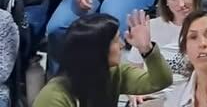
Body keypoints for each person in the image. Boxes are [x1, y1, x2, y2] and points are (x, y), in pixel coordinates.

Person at [33, 12, 172, 107]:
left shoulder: (115, 73)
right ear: (98, 50)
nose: (123, 45)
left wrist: (146, 49)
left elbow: (160, 81)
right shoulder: (54, 96)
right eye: (116, 41)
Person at [124, 0, 203, 103]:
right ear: (165, 0)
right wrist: (133, 93)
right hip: (152, 98)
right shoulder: (150, 28)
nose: (181, 4)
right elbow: (131, 76)